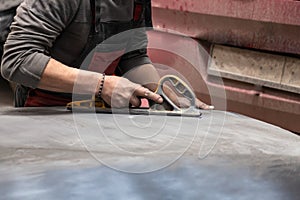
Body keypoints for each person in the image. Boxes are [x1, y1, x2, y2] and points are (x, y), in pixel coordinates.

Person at [1, 0, 213, 109]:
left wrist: (164, 92)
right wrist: (102, 85)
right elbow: (17, 59)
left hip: (95, 117)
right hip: (44, 114)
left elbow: (133, 55)